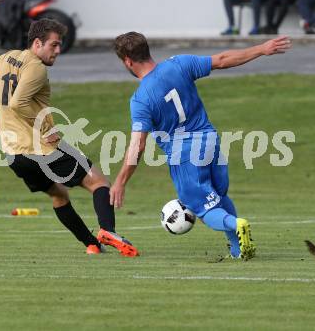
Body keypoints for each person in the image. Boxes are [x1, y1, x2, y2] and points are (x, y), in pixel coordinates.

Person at [111, 31, 291, 260]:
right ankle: (238, 250)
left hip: (185, 155)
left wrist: (120, 181)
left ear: (127, 61)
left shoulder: (141, 99)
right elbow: (223, 60)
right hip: (210, 141)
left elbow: (138, 145)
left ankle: (237, 223)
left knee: (204, 209)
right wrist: (261, 49)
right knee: (217, 197)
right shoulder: (179, 64)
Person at [0, 18, 139, 257]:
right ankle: (108, 231)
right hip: (44, 150)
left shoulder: (5, 58)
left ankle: (91, 245)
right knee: (99, 182)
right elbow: (18, 103)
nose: (58, 51)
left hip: (14, 155)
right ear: (37, 43)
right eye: (54, 45)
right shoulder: (36, 66)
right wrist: (46, 129)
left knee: (59, 195)